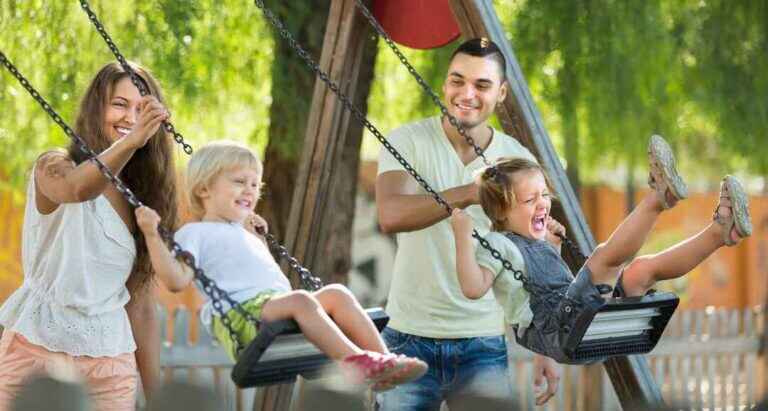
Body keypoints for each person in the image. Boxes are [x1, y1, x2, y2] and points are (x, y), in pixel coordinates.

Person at [135, 141, 428, 391]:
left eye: (254, 184)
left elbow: (264, 277)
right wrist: (151, 234)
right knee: (301, 300)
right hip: (243, 318)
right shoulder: (194, 233)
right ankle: (356, 362)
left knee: (337, 292)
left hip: (272, 307)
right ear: (204, 190)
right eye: (239, 182)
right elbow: (176, 280)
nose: (249, 190)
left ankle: (384, 362)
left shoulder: (244, 232)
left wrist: (258, 240)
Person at [375, 37, 560, 410]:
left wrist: (546, 350)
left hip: (483, 344)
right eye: (457, 80)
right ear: (444, 84)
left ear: (502, 92)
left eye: (482, 84)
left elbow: (532, 259)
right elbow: (391, 215)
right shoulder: (408, 141)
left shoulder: (516, 158)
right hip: (408, 338)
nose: (467, 93)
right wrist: (470, 192)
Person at [450, 135, 752, 362]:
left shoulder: (531, 242)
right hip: (563, 332)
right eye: (530, 200)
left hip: (583, 326)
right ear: (501, 212)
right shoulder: (498, 245)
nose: (543, 203)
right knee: (603, 260)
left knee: (641, 271)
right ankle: (659, 197)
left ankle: (722, 230)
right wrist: (463, 237)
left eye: (543, 194)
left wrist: (552, 249)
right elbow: (473, 288)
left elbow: (541, 286)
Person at [0, 61, 177, 410]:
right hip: (36, 347)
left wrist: (158, 399)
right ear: (96, 108)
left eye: (141, 108)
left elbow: (140, 307)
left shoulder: (144, 198)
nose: (131, 117)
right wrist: (134, 140)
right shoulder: (55, 164)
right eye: (119, 104)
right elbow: (79, 189)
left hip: (109, 364)